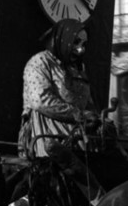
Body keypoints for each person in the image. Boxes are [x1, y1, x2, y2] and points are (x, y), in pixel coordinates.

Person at [19, 20, 96, 161]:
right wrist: (79, 115)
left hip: (78, 138)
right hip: (46, 136)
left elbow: (88, 102)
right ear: (63, 38)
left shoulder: (78, 69)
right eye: (76, 42)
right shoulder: (40, 62)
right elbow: (41, 101)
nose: (80, 49)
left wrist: (96, 118)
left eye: (83, 44)